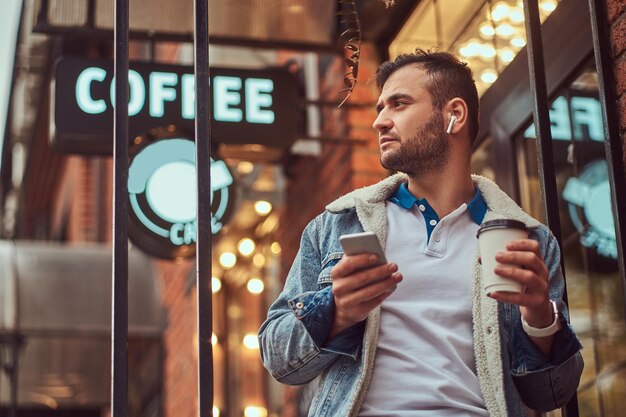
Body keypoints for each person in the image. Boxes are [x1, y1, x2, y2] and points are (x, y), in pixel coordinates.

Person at [258, 49, 583, 417]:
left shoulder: (531, 242)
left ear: (454, 115)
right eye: (380, 107)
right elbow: (278, 359)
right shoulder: (337, 224)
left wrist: (540, 317)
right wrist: (336, 311)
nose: (380, 120)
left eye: (399, 104)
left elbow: (553, 393)